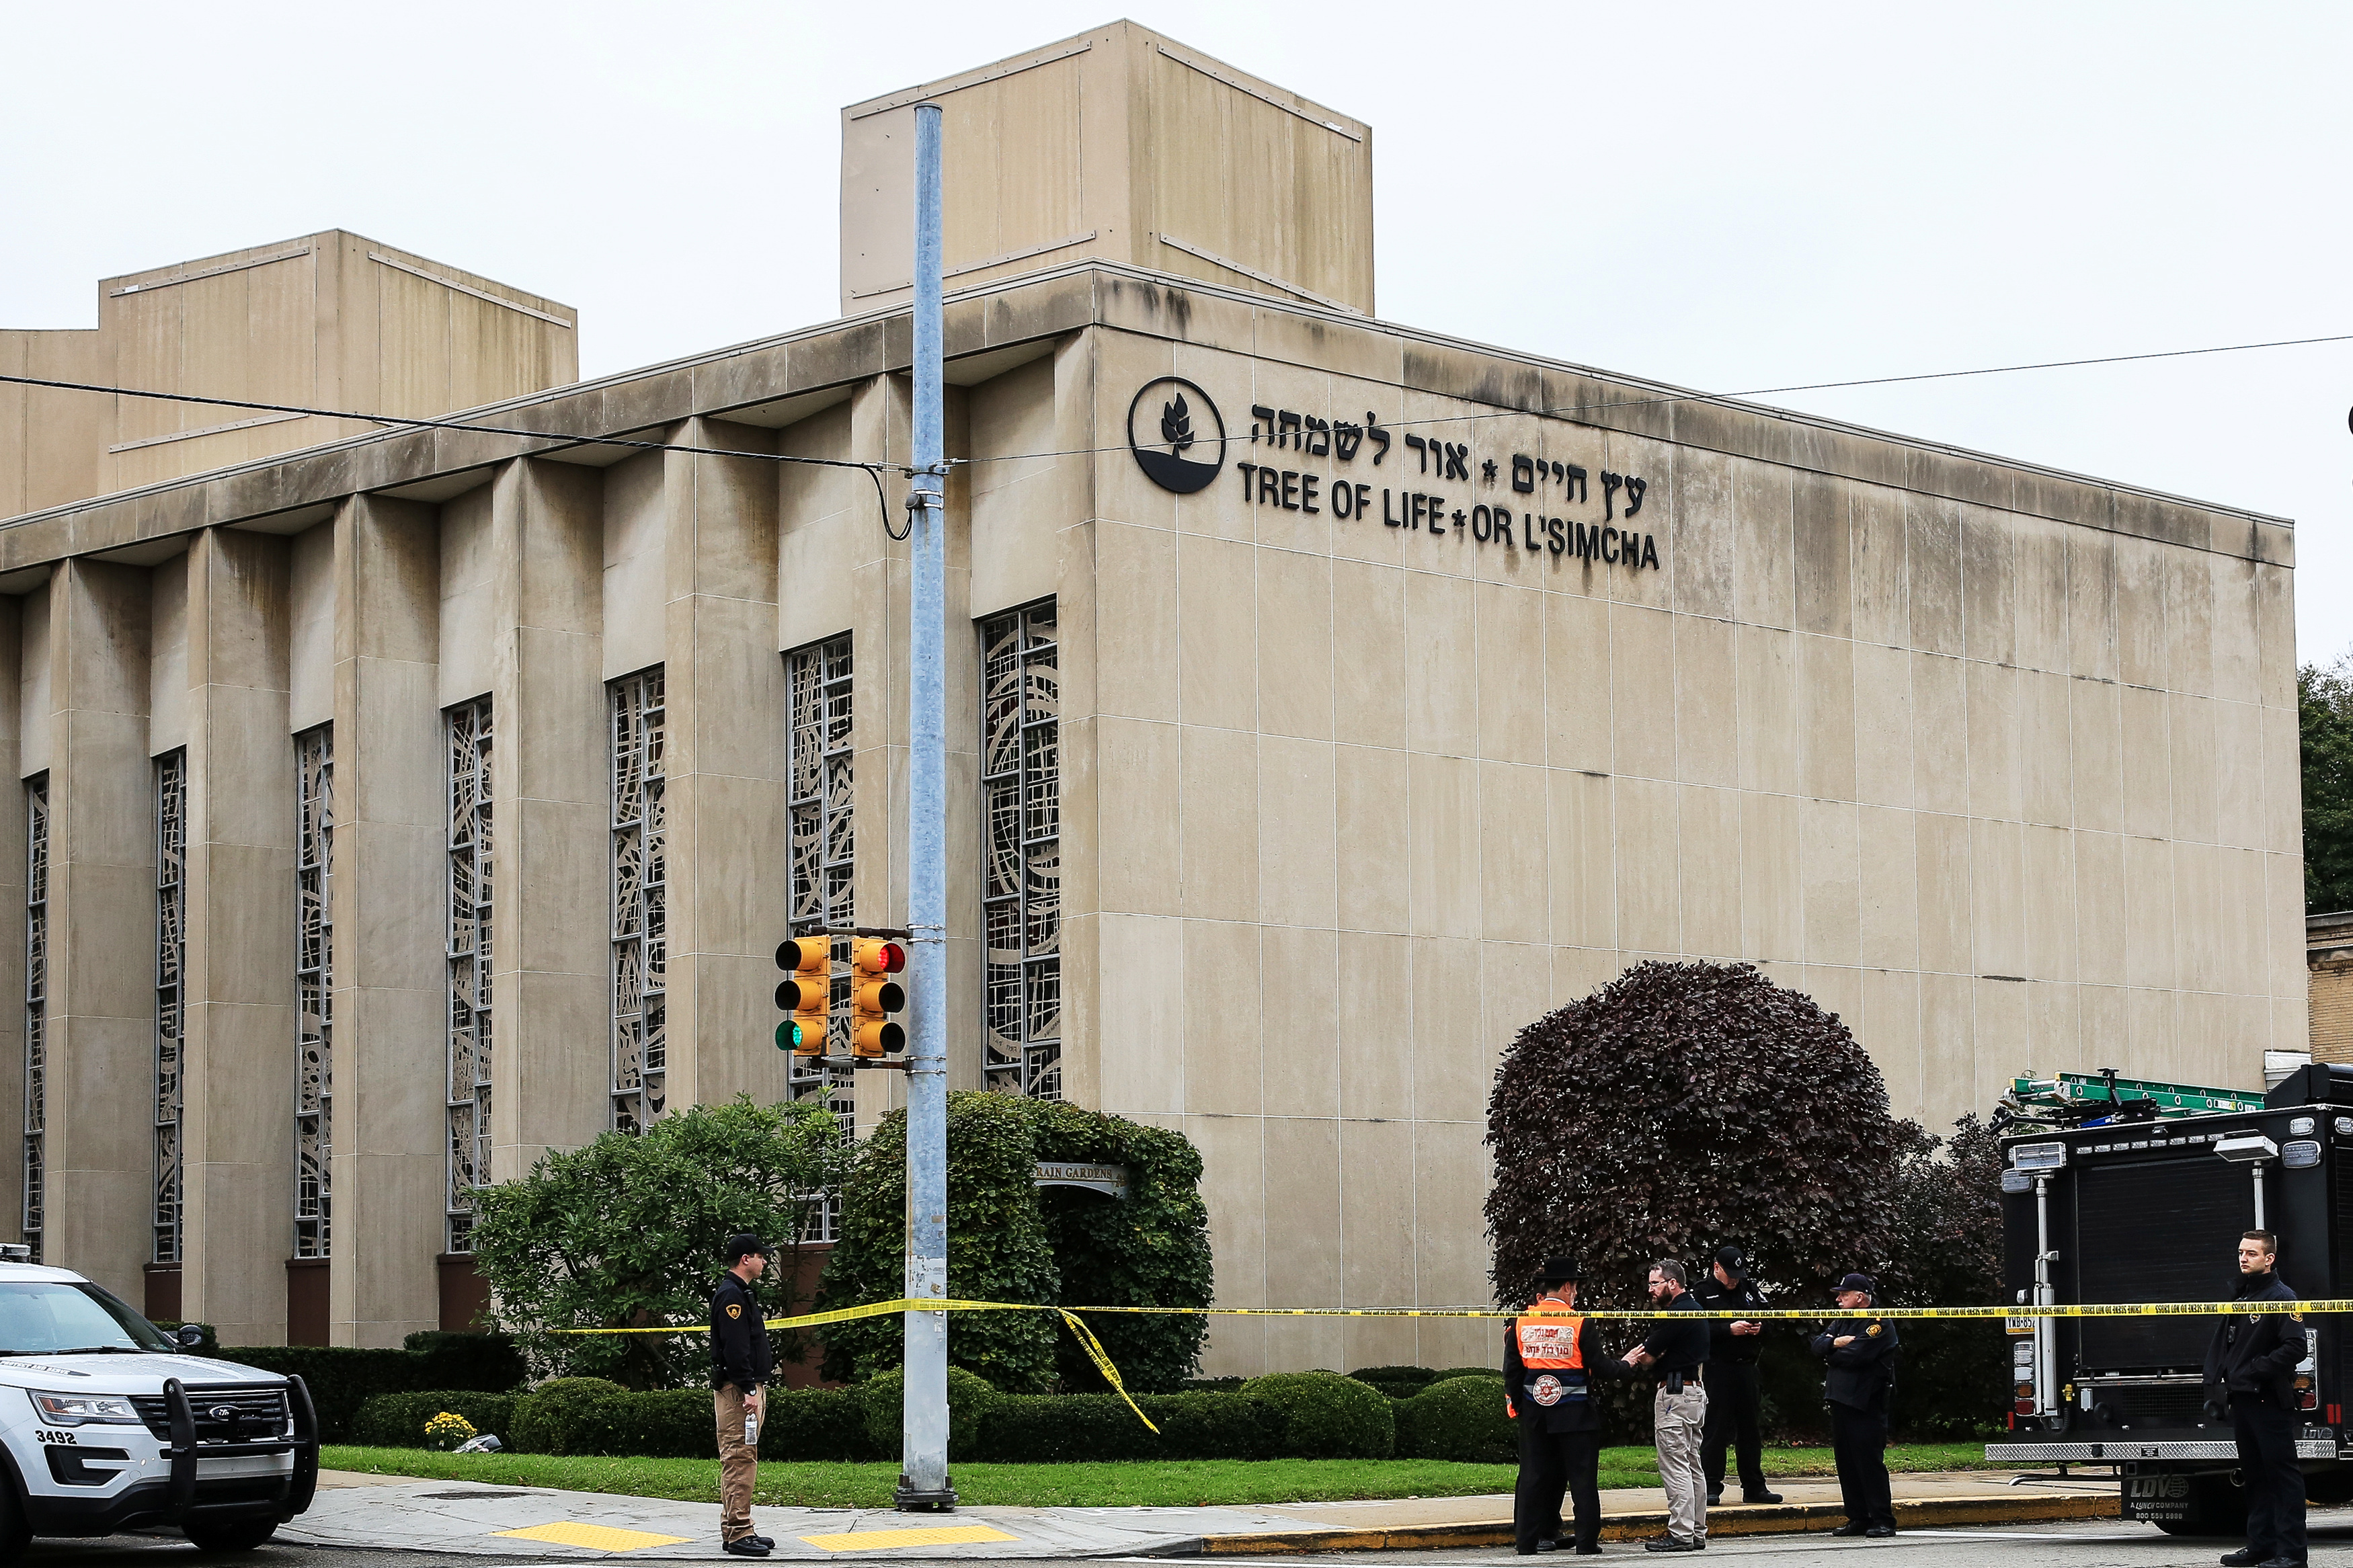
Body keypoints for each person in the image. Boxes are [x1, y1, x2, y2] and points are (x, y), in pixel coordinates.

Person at [1504, 1257, 1623, 1556]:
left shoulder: (1522, 1322)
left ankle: (1526, 1542)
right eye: (1576, 1287)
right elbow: (1601, 1368)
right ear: (1568, 1287)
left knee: (1532, 1477)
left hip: (1536, 1415)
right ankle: (1585, 1543)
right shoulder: (1579, 1323)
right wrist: (1628, 1364)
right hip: (1575, 1415)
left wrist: (1519, 1407)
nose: (1576, 1293)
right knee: (1582, 1481)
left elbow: (1513, 1372)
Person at [2204, 1229, 2306, 1568]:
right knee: (2256, 1478)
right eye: (2240, 1252)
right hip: (2244, 1400)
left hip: (2268, 1400)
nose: (2243, 1258)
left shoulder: (2281, 1296)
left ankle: (2291, 1554)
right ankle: (2261, 1546)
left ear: (2269, 1259)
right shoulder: (2244, 1296)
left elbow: (2295, 1347)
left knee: (2282, 1478)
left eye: (2251, 1253)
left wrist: (2252, 1370)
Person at [1617, 1260, 1712, 1553]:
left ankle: (1681, 1533)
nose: (1650, 1290)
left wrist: (1647, 1356)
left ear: (1673, 1283)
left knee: (1675, 1464)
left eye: (1655, 1283)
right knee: (1692, 1463)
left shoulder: (1677, 1314)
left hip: (1674, 1396)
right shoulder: (1695, 1310)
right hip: (1693, 1394)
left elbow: (1648, 1354)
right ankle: (1696, 1531)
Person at [1693, 1245, 1782, 1507]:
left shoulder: (1749, 1288)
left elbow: (1773, 1319)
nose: (1734, 1279)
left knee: (1750, 1430)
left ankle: (1754, 1487)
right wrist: (1727, 1330)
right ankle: (1710, 1486)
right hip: (1718, 1368)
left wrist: (1760, 1327)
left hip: (1747, 1367)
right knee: (1715, 1429)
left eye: (1738, 1274)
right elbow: (1696, 1331)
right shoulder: (1702, 1292)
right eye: (1730, 1273)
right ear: (1716, 1268)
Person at [1812, 1272, 1898, 1539]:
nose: (1838, 1299)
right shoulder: (1843, 1321)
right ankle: (1858, 1517)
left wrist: (1832, 1352)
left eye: (1844, 1295)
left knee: (1868, 1461)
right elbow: (1816, 1345)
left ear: (1860, 1298)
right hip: (1841, 1400)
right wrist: (1834, 1344)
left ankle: (1882, 1518)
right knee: (1846, 1462)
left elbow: (1857, 1356)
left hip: (1866, 1402)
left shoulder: (1878, 1323)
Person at [711, 1233, 776, 1557]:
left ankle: (737, 1527)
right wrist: (749, 1387)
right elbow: (736, 1350)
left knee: (740, 1457)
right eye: (761, 1256)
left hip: (741, 1388)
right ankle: (739, 1534)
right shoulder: (732, 1296)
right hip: (739, 1391)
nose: (764, 1262)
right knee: (740, 1458)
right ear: (745, 1260)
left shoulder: (739, 1293)